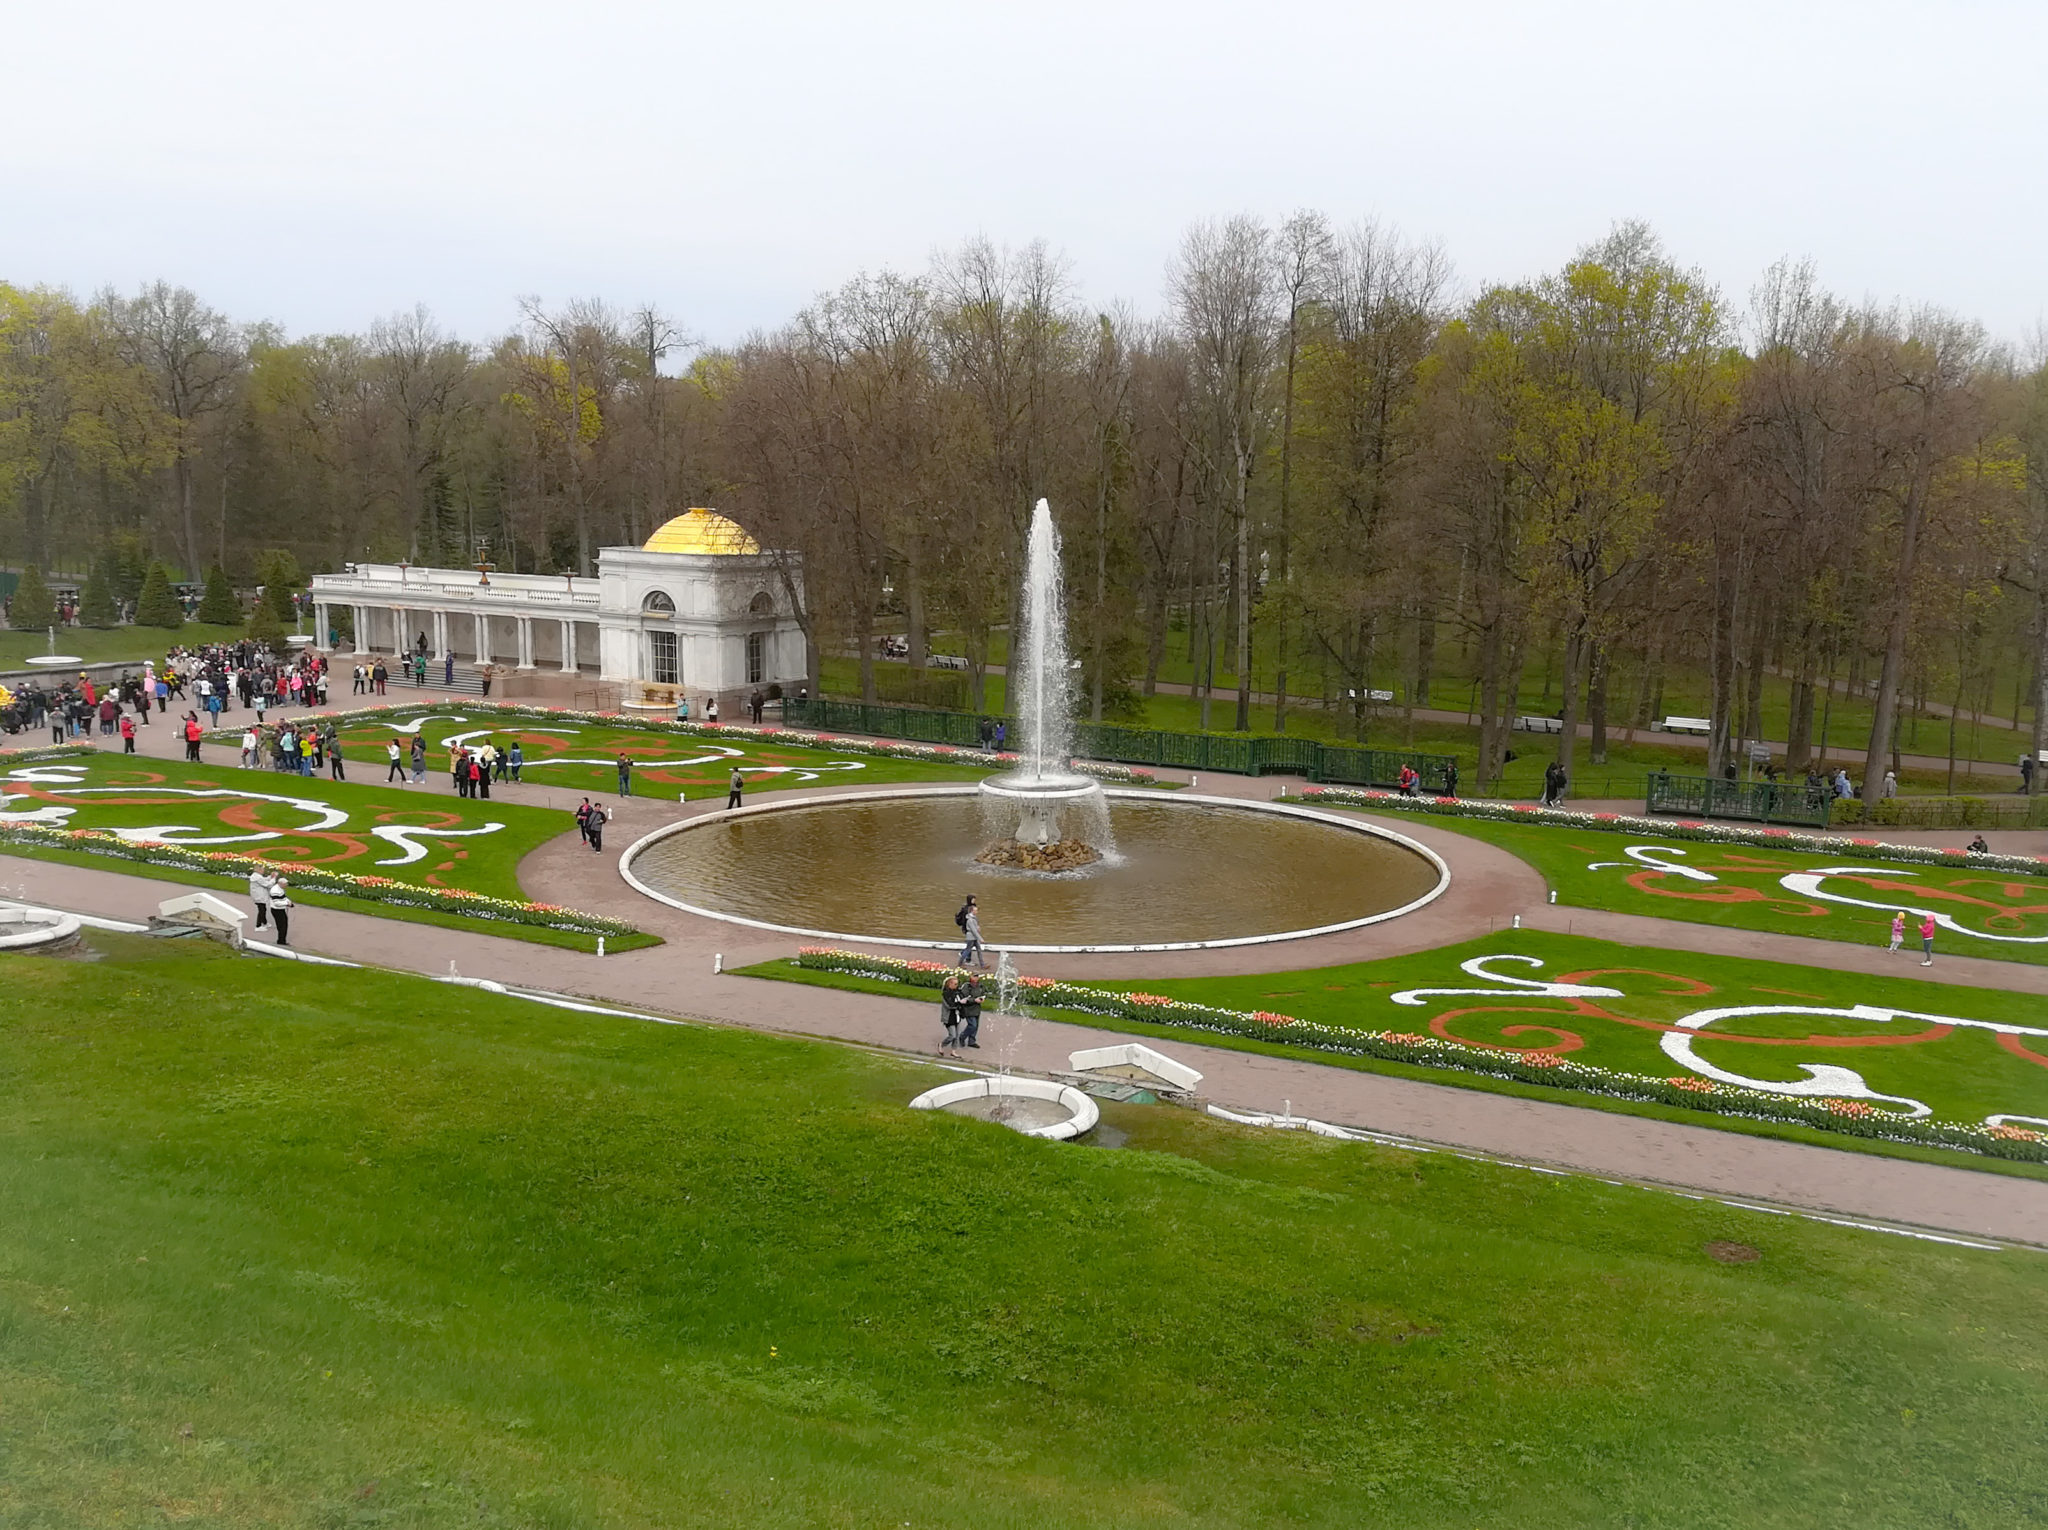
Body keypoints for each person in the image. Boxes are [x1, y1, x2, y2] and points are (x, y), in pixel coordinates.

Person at [956, 894, 985, 968]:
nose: (974, 901)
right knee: (969, 948)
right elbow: (969, 925)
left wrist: (977, 926)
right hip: (969, 932)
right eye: (973, 899)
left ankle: (982, 965)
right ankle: (965, 960)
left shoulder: (972, 909)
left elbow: (975, 921)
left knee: (977, 949)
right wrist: (980, 938)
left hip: (972, 933)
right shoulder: (966, 910)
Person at [938, 974, 963, 1056]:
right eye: (955, 984)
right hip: (949, 1017)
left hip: (957, 1016)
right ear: (950, 984)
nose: (956, 986)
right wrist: (958, 1004)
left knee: (957, 1035)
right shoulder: (946, 994)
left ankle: (953, 1051)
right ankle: (942, 1044)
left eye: (957, 984)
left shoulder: (957, 993)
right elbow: (949, 1005)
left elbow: (961, 1000)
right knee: (952, 1035)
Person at [956, 973, 983, 1049]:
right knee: (972, 1025)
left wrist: (982, 998)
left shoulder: (980, 986)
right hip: (968, 1008)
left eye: (977, 976)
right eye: (974, 976)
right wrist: (974, 1000)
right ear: (970, 977)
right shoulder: (967, 986)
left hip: (977, 1008)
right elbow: (964, 997)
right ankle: (962, 1036)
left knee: (976, 1026)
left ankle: (972, 1041)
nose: (976, 978)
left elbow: (983, 993)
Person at [269, 877, 292, 947]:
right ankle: (281, 941)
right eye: (285, 884)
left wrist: (288, 901)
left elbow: (283, 897)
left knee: (283, 925)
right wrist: (286, 903)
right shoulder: (275, 891)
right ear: (280, 884)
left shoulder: (280, 889)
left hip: (280, 909)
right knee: (282, 926)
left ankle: (281, 940)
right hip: (277, 910)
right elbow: (276, 903)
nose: (286, 885)